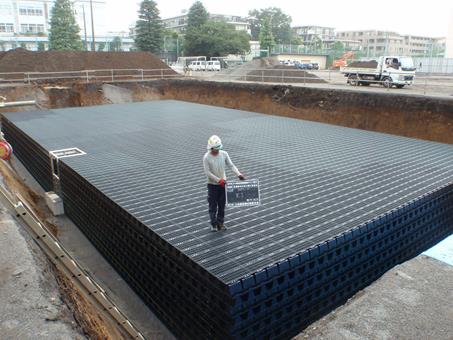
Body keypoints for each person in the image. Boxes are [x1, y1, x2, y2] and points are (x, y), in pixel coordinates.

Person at [203, 135, 245, 232]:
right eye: (215, 149)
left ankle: (220, 223)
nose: (217, 150)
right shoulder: (206, 157)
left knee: (221, 205)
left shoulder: (224, 154)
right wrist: (218, 180)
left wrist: (238, 174)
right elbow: (207, 172)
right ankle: (213, 224)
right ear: (211, 148)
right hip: (212, 185)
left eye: (218, 148)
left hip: (223, 185)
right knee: (213, 205)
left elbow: (231, 165)